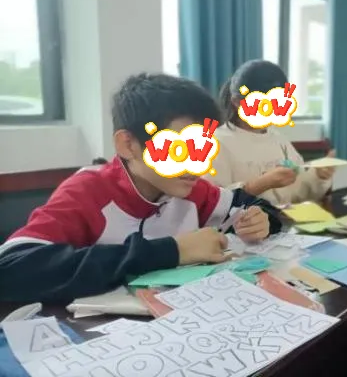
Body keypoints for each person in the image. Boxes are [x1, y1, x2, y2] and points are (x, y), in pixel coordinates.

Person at [0, 73, 282, 304]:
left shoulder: (188, 188)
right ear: (128, 144)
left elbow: (251, 204)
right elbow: (10, 269)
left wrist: (260, 220)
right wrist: (172, 251)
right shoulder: (86, 192)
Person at [207, 59, 335, 205]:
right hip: (246, 220)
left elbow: (298, 192)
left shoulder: (278, 139)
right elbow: (212, 204)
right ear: (237, 102)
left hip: (285, 218)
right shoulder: (216, 143)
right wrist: (260, 184)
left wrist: (319, 176)